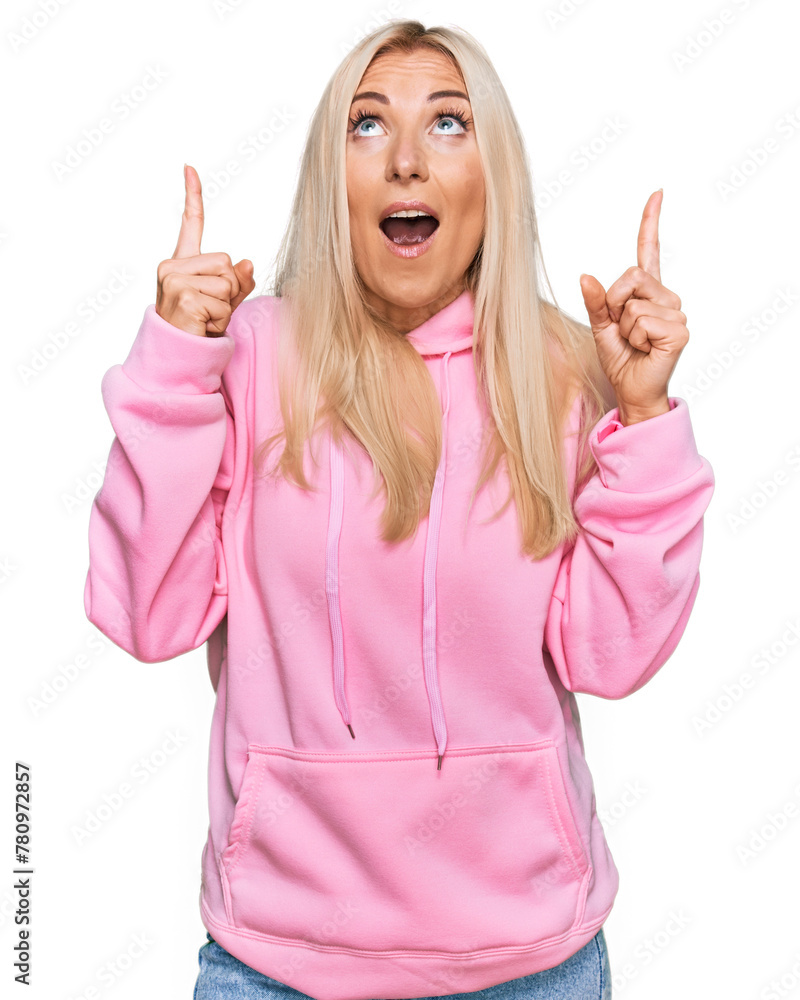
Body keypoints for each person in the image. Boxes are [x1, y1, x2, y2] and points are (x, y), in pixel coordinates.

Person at [83, 18, 714, 1000]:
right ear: (328, 178)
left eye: (449, 123)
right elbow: (146, 616)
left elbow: (610, 655)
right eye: (367, 124)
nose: (408, 158)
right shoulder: (249, 356)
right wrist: (173, 369)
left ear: (492, 178)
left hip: (527, 962)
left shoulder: (556, 369)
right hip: (277, 960)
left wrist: (639, 416)